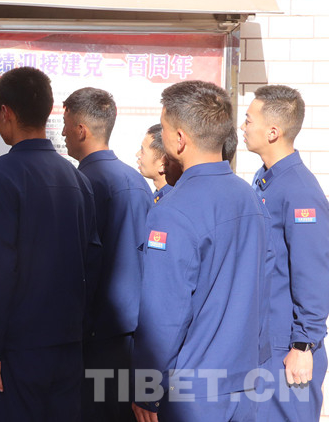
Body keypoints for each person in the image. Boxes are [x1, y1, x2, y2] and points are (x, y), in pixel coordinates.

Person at [132, 80, 269, 422]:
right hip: (244, 385)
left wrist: (145, 389)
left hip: (193, 394)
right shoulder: (249, 196)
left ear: (179, 139)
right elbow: (263, 288)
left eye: (164, 128)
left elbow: (163, 315)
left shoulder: (172, 210)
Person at [0, 67, 99, 422]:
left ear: (5, 112)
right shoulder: (77, 179)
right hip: (68, 347)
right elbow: (92, 263)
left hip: (17, 350)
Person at [61, 87, 153, 421]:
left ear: (81, 130)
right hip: (134, 339)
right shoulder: (138, 182)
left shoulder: (79, 184)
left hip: (94, 338)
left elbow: (74, 266)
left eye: (66, 125)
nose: (62, 133)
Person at [241, 85, 329, 422]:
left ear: (273, 132)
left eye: (249, 120)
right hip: (266, 342)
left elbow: (314, 273)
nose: (243, 127)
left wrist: (304, 345)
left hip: (288, 348)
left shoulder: (300, 191)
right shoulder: (265, 180)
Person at [136, 124, 170, 204]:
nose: (137, 155)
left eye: (142, 151)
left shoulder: (169, 202)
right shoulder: (159, 195)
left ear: (162, 164)